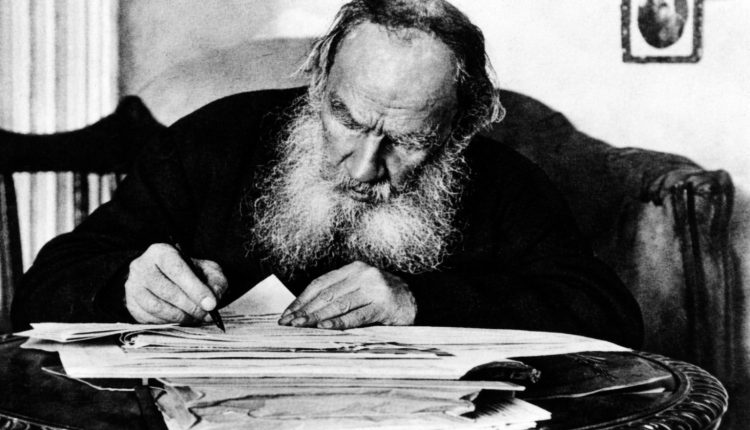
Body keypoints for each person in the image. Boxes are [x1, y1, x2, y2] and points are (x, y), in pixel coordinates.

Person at [12, 0, 643, 347]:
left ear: (459, 129)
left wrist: (419, 302)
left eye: (407, 140)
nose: (365, 168)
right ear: (318, 84)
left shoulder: (503, 181)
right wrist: (127, 284)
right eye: (346, 119)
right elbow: (45, 285)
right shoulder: (210, 141)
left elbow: (607, 315)